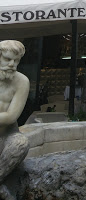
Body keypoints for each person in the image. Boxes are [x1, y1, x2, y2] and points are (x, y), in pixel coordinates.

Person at [0, 40, 30, 200]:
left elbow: (12, 116)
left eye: (16, 60)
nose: (12, 64)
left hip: (7, 137)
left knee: (21, 143)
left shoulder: (22, 82)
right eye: (7, 59)